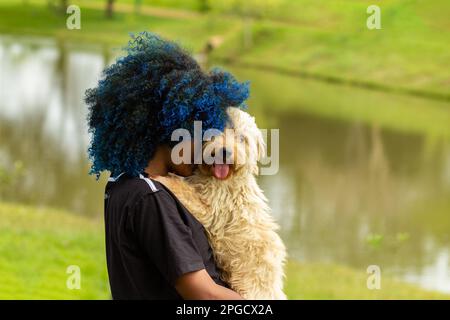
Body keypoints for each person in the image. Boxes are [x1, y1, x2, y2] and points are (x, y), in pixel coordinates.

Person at [85, 32, 250, 299]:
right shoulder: (149, 196)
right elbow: (203, 294)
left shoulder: (122, 182)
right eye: (202, 137)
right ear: (176, 128)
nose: (205, 154)